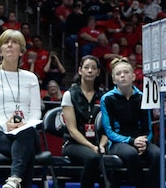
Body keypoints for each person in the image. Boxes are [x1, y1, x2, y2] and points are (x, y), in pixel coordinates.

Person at [0, 28, 42, 188]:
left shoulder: (31, 78)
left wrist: (24, 124)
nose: (10, 45)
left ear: (21, 51)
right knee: (27, 152)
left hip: (24, 131)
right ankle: (16, 180)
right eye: (6, 42)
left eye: (15, 43)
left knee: (26, 134)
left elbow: (35, 112)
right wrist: (4, 125)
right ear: (0, 50)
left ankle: (14, 180)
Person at [100, 57, 159, 188]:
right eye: (118, 74)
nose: (123, 76)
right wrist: (132, 141)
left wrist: (144, 142)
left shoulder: (143, 97)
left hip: (141, 140)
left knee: (158, 155)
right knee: (131, 154)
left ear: (133, 76)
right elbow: (109, 131)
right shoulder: (107, 98)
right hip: (118, 142)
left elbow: (148, 128)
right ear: (114, 80)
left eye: (126, 72)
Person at [61, 55, 109, 188]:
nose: (90, 71)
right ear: (80, 70)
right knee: (93, 158)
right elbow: (72, 129)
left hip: (99, 143)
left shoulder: (104, 96)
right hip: (73, 144)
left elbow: (107, 127)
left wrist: (102, 145)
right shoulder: (69, 94)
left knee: (112, 164)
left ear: (98, 72)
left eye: (94, 68)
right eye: (86, 67)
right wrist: (92, 147)